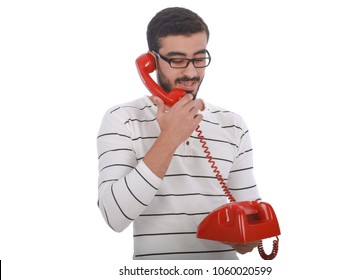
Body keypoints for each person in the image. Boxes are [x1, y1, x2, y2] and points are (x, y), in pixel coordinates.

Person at [97, 7, 261, 260]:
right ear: (150, 63)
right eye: (177, 60)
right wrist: (169, 138)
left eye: (199, 58)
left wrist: (248, 237)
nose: (191, 72)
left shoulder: (233, 124)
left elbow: (250, 216)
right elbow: (114, 216)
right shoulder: (122, 118)